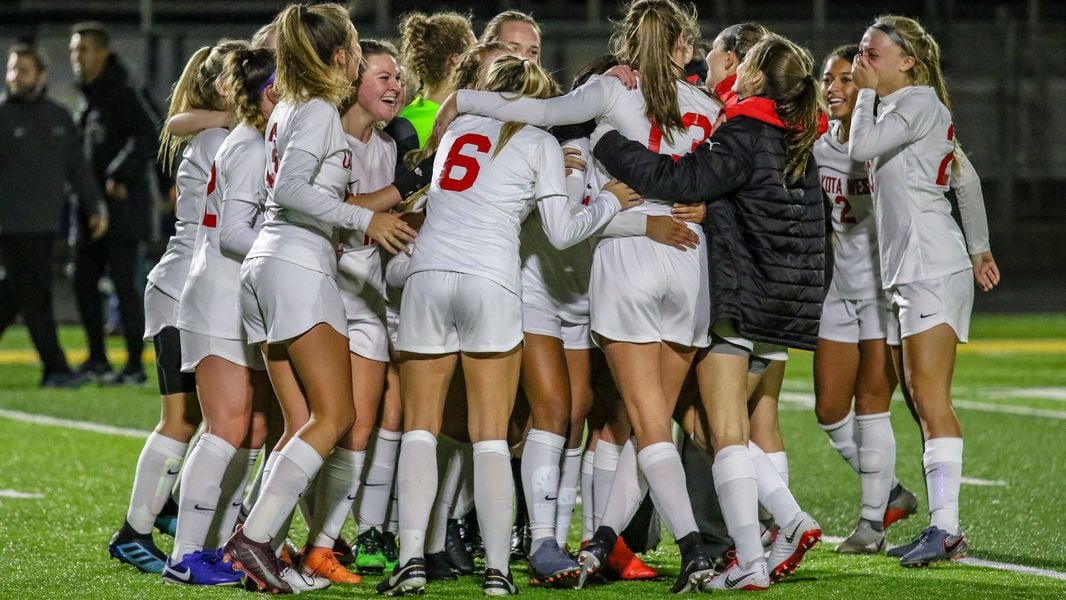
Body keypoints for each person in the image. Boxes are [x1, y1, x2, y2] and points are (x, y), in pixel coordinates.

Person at [436, 1, 719, 592]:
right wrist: (707, 205)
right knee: (641, 423)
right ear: (685, 49)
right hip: (685, 261)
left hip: (623, 267)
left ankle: (685, 549)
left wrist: (463, 100)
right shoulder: (708, 106)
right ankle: (584, 543)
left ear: (628, 46)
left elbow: (542, 111)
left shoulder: (605, 95)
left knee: (641, 424)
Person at [379, 54, 640, 597]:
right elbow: (563, 233)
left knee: (421, 429)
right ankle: (498, 570)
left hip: (427, 276)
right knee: (491, 437)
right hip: (489, 282)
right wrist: (611, 202)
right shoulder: (540, 142)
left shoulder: (455, 131)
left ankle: (409, 561)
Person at [592, 34, 829, 590]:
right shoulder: (799, 138)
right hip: (782, 303)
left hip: (741, 301)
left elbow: (685, 179)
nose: (733, 67)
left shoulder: (749, 130)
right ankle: (785, 524)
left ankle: (753, 558)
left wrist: (610, 144)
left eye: (743, 62)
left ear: (753, 78)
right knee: (699, 421)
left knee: (721, 431)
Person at [221, 5, 415, 594]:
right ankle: (253, 541)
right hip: (297, 263)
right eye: (356, 48)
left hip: (270, 266)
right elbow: (288, 190)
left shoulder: (287, 107)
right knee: (337, 417)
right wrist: (364, 222)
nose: (360, 57)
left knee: (300, 423)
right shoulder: (316, 114)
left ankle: (261, 547)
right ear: (339, 56)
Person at [849, 15, 998, 567]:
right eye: (862, 51)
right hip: (917, 265)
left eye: (873, 52)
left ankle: (947, 531)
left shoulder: (917, 104)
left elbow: (862, 147)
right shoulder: (910, 106)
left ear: (907, 62)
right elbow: (967, 177)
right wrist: (980, 246)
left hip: (930, 265)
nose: (864, 60)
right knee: (917, 396)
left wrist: (862, 98)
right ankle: (943, 527)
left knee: (929, 396)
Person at [812, 43, 920, 555]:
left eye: (845, 79)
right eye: (827, 80)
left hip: (884, 292)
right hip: (839, 292)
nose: (833, 88)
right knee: (830, 411)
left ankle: (871, 524)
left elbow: (954, 178)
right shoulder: (814, 148)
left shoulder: (894, 138)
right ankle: (892, 490)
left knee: (871, 407)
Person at [0, 43, 106, 388]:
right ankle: (56, 368)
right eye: (13, 69)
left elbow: (78, 169)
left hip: (44, 224)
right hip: (10, 224)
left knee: (14, 294)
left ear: (41, 76)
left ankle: (56, 368)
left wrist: (94, 206)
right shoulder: (2, 116)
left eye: (24, 70)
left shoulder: (59, 118)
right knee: (36, 297)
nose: (15, 76)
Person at [69, 21, 157, 384]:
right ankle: (98, 358)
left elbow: (150, 133)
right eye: (74, 51)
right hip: (88, 207)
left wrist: (120, 174)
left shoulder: (124, 92)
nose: (77, 58)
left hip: (123, 206)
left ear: (103, 53)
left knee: (123, 282)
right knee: (82, 279)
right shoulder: (86, 98)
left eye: (84, 50)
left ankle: (135, 365)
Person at [394, 12, 475, 151]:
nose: (482, 59)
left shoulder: (408, 119)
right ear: (456, 60)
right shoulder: (407, 128)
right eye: (476, 51)